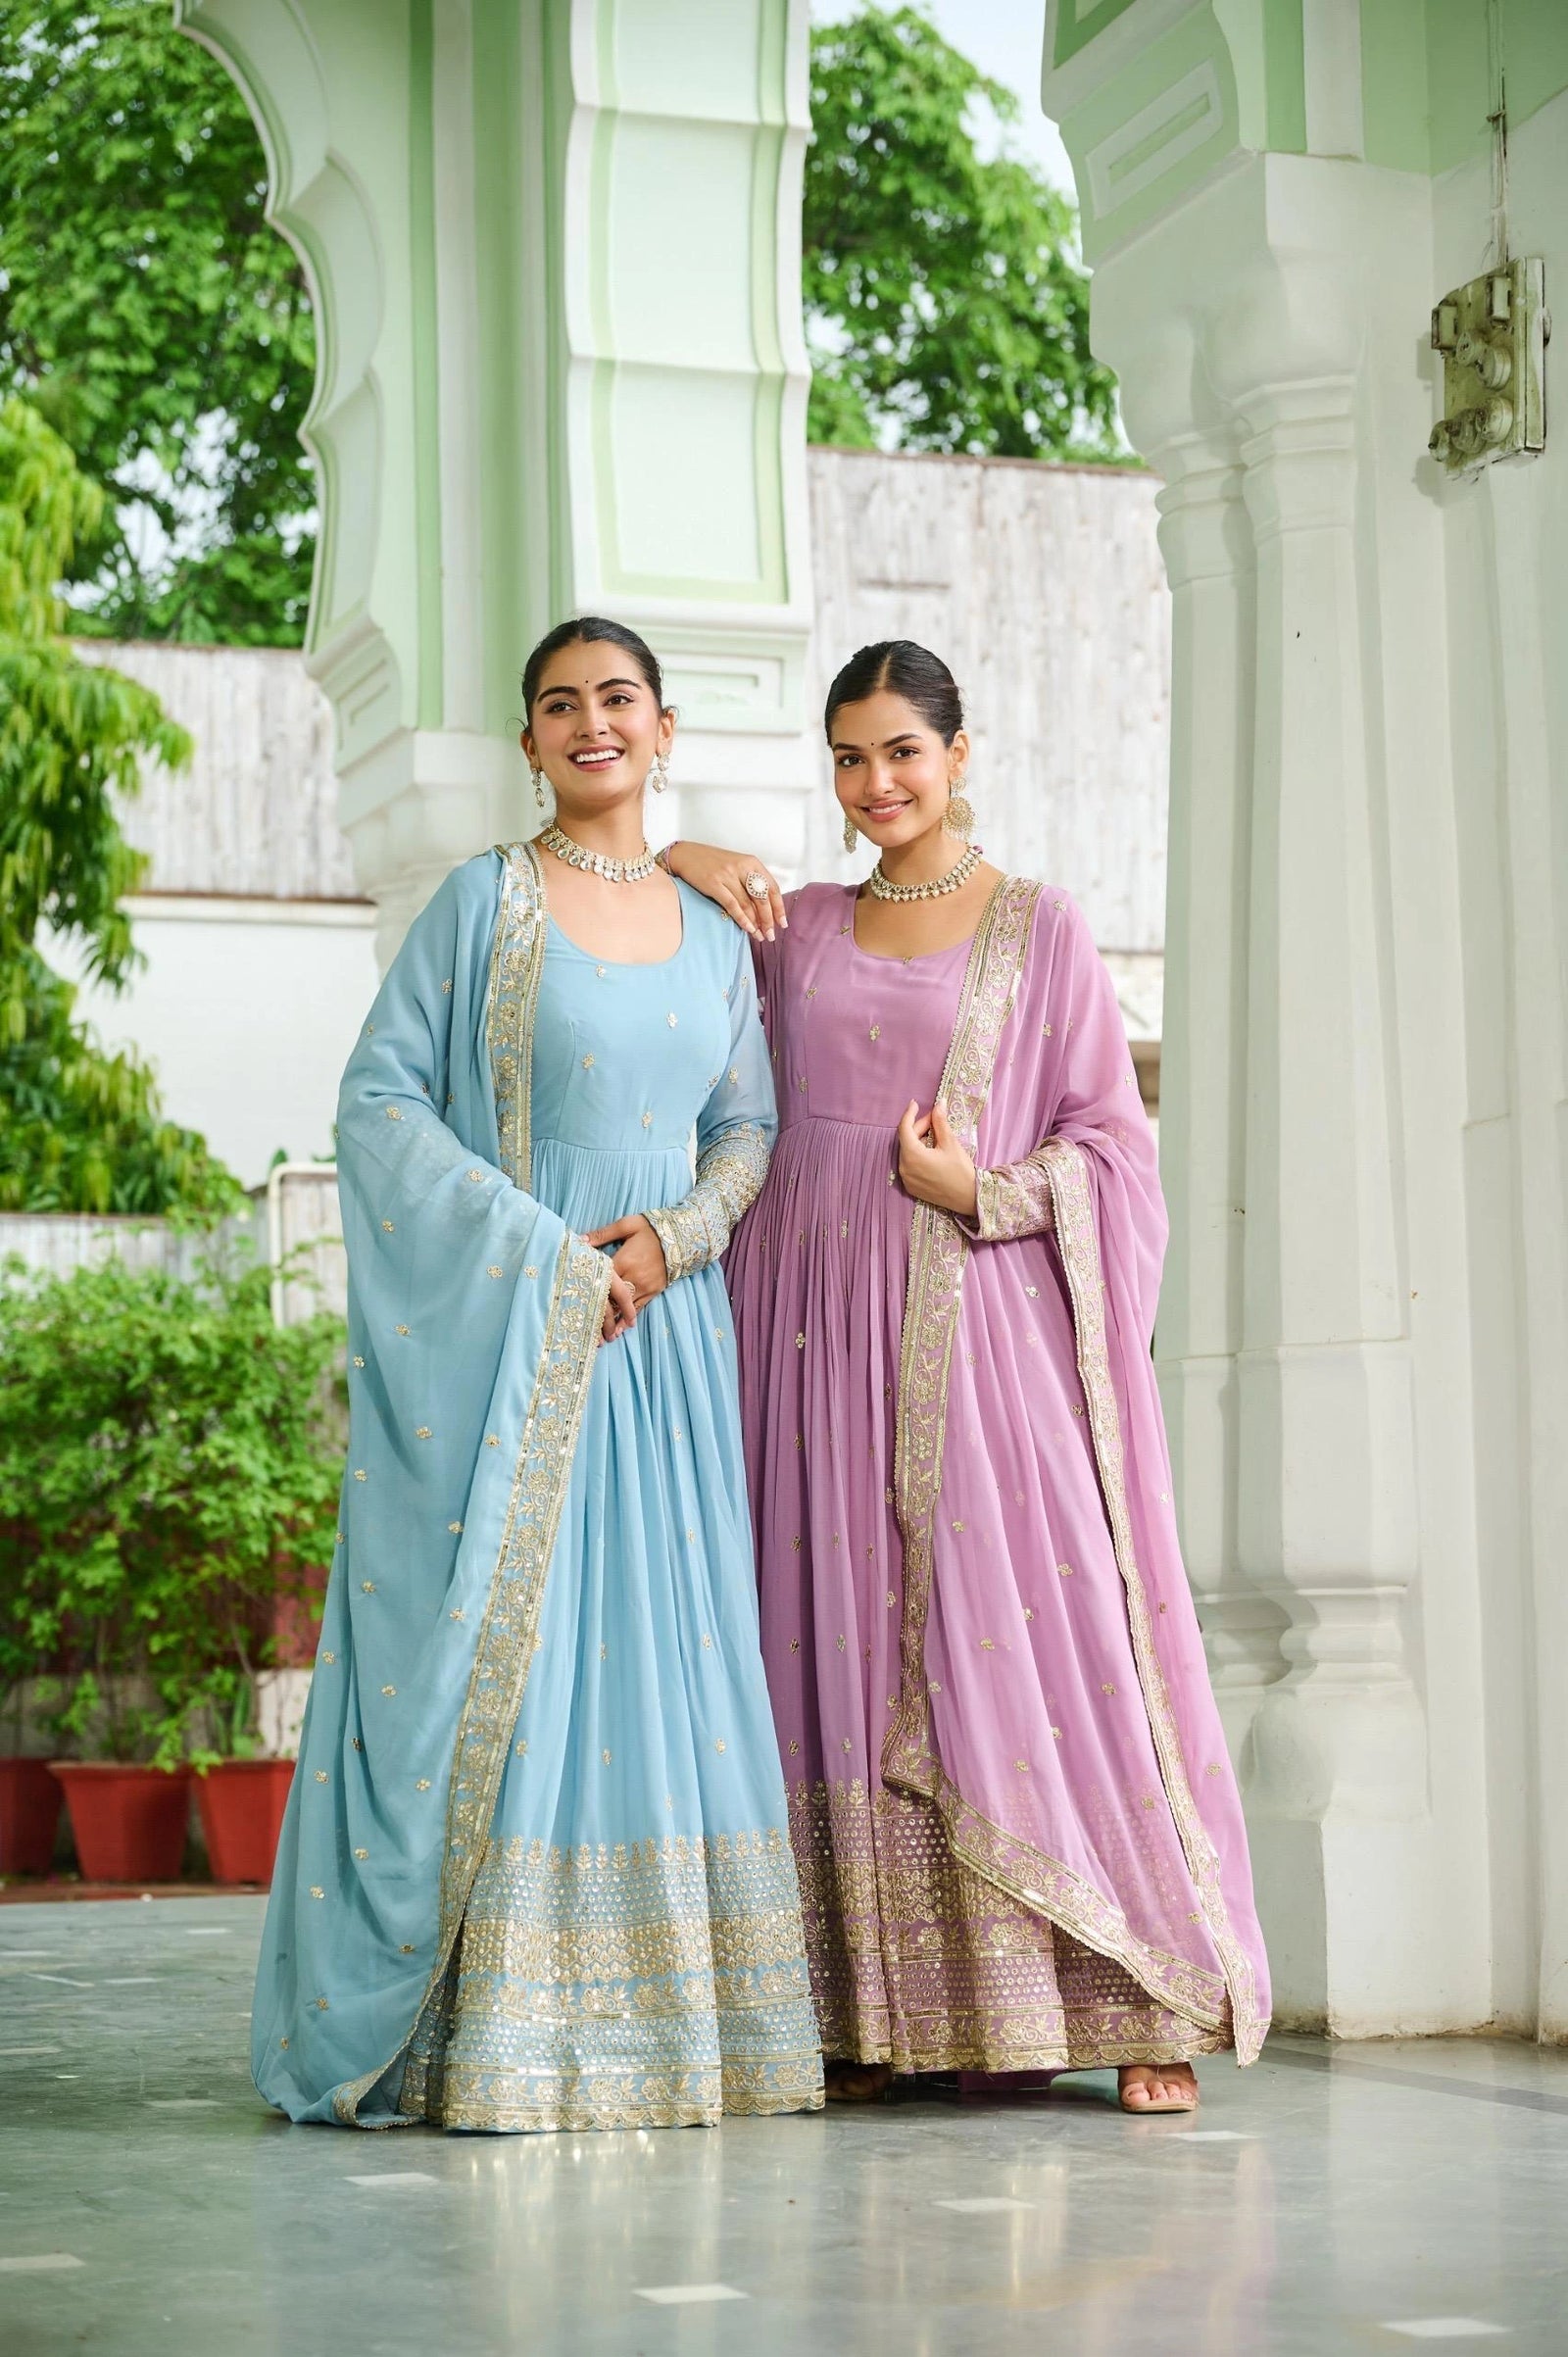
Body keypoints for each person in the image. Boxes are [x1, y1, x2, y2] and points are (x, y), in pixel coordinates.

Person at [656, 640, 1270, 2113]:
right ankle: (876, 2010)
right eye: (852, 758)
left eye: (905, 753)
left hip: (972, 1315)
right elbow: (658, 930)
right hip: (802, 1335)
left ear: (961, 751)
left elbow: (1119, 1151)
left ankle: (1142, 1995)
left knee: (1033, 1643)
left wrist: (981, 1186)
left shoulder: (1040, 928)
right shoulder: (790, 925)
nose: (879, 785)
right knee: (829, 1651)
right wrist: (687, 839)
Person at [251, 617, 823, 2134]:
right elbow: (376, 1101)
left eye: (616, 699)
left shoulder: (716, 933)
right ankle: (501, 2027)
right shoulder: (479, 906)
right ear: (526, 743)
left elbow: (746, 1127)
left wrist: (672, 1242)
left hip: (665, 1344)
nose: (591, 724)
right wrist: (542, 1250)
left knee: (669, 1668)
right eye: (559, 704)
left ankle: (681, 2024)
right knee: (537, 1658)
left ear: (664, 724)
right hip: (527, 1343)